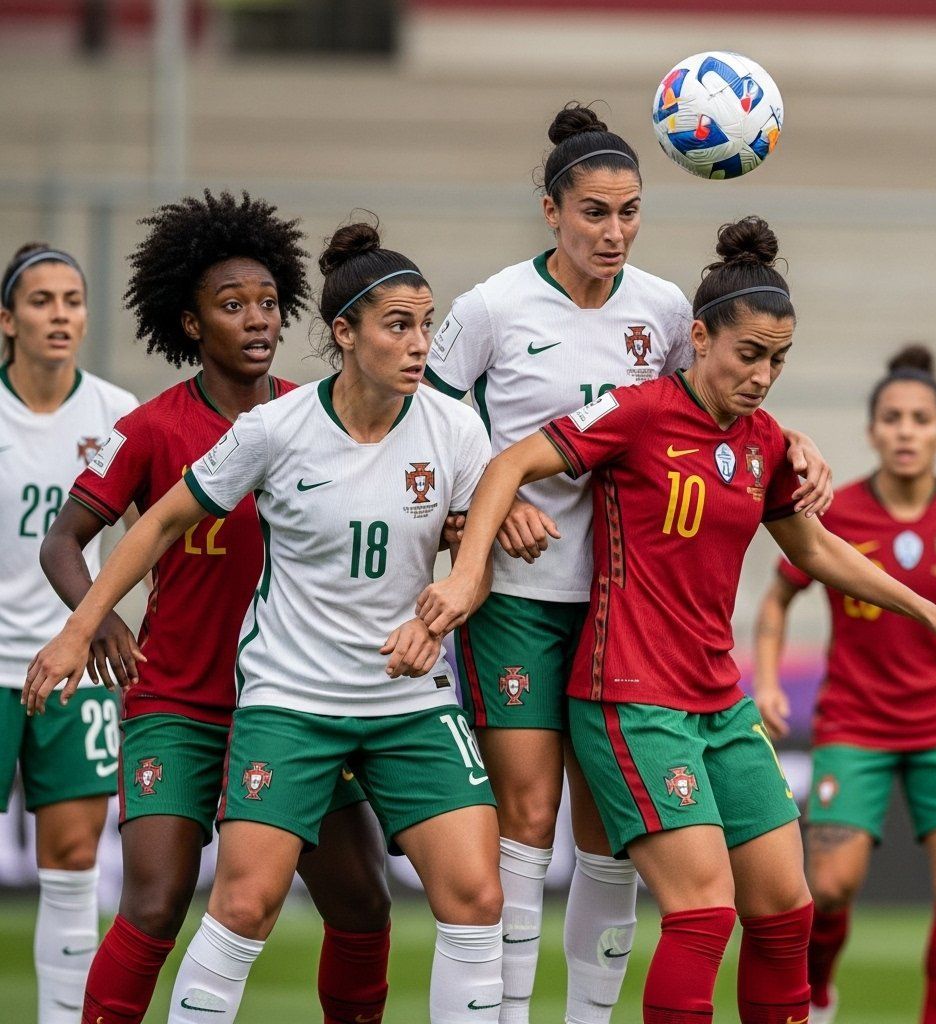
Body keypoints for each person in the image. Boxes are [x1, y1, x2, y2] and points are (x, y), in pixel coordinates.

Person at [416, 217, 936, 1024]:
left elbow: (816, 547)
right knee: (702, 912)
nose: (763, 376)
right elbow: (512, 461)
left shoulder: (763, 442)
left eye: (778, 360)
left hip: (718, 698)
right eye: (749, 354)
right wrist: (468, 573)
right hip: (632, 696)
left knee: (787, 909)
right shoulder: (638, 413)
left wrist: (933, 612)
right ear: (698, 338)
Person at [25, 222, 507, 1024]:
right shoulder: (223, 429)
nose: (256, 319)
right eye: (233, 305)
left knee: (379, 902)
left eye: (269, 303)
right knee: (170, 903)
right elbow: (121, 530)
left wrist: (461, 576)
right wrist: (89, 622)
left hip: (375, 699)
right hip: (217, 696)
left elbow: (473, 544)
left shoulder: (440, 426)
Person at [426, 103, 833, 1024]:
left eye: (630, 212)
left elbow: (718, 399)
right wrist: (481, 505)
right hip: (524, 593)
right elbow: (432, 420)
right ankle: (508, 1013)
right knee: (529, 819)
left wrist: (792, 441)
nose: (613, 232)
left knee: (608, 836)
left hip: (626, 605)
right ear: (551, 211)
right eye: (594, 213)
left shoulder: (664, 309)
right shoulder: (491, 307)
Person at [751, 345, 936, 1024]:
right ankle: (818, 996)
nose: (906, 430)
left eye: (920, 419)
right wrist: (768, 681)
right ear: (872, 431)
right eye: (893, 418)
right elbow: (778, 598)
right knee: (829, 888)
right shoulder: (833, 512)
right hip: (854, 723)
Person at [0, 243, 138, 1024]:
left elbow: (153, 527)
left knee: (74, 859)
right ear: (8, 320)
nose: (60, 315)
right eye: (41, 300)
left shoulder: (115, 413)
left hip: (74, 667)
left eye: (72, 300)